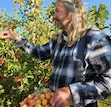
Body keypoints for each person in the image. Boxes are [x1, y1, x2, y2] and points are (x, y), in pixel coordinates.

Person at [0, 0, 111, 107]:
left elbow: (108, 83)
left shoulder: (95, 40)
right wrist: (15, 37)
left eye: (58, 11)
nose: (54, 16)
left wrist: (72, 93)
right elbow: (38, 52)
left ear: (71, 14)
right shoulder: (58, 41)